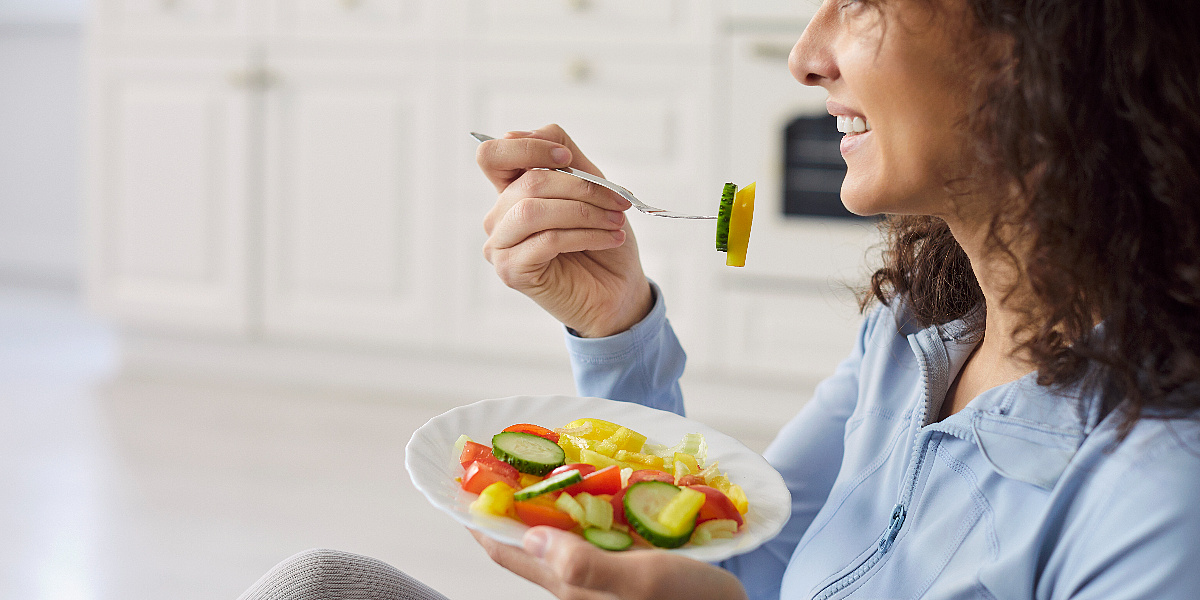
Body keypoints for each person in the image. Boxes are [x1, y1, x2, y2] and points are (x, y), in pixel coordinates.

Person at [471, 0, 1200, 599]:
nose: (805, 56)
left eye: (858, 3)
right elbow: (739, 566)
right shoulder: (914, 331)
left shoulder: (1162, 499)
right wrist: (615, 324)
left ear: (1045, 40)